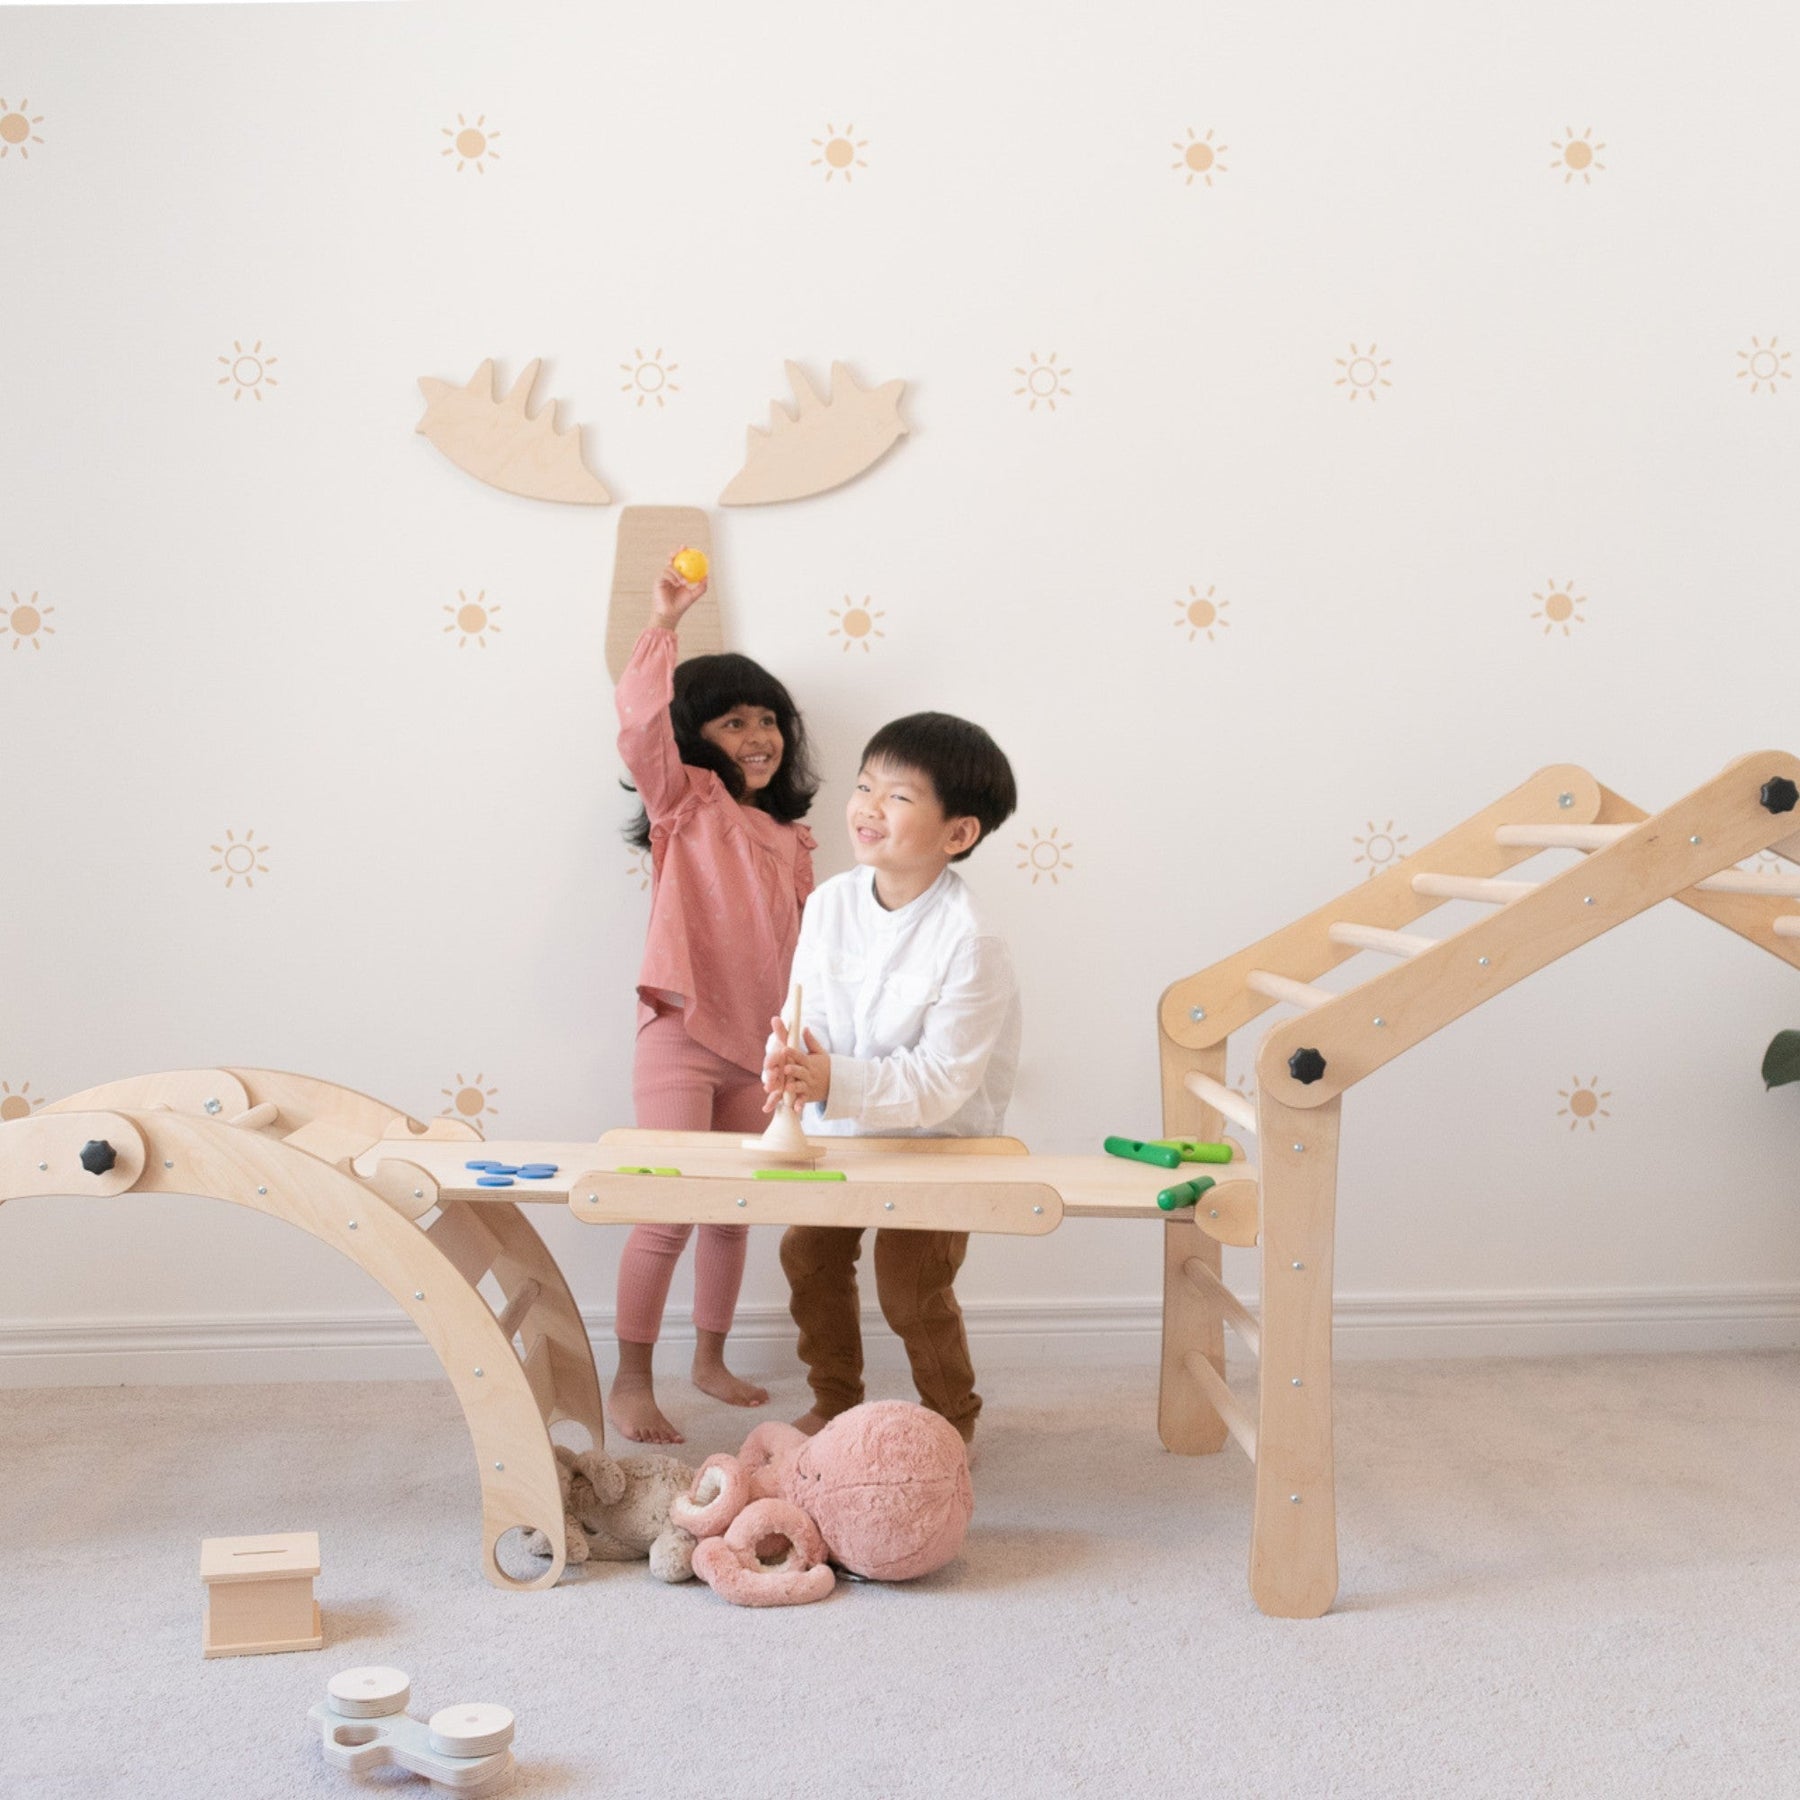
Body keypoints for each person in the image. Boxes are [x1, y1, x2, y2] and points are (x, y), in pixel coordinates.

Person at [763, 712, 1019, 1446]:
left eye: (899, 796)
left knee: (910, 1288)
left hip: (941, 1141)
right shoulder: (831, 903)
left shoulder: (971, 938)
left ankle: (950, 1420)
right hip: (841, 1132)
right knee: (808, 1255)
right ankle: (834, 1400)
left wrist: (830, 1079)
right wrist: (788, 1060)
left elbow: (942, 1081)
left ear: (957, 833)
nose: (869, 806)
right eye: (864, 786)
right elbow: (804, 1009)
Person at [611, 557, 819, 1443]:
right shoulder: (687, 804)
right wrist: (664, 623)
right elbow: (638, 725)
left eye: (767, 719)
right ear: (697, 741)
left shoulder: (794, 838)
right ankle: (630, 1379)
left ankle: (709, 1359)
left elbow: (806, 953)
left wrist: (806, 1043)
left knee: (732, 1214)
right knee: (666, 1212)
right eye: (733, 722)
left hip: (758, 1049)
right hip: (682, 1035)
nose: (758, 735)